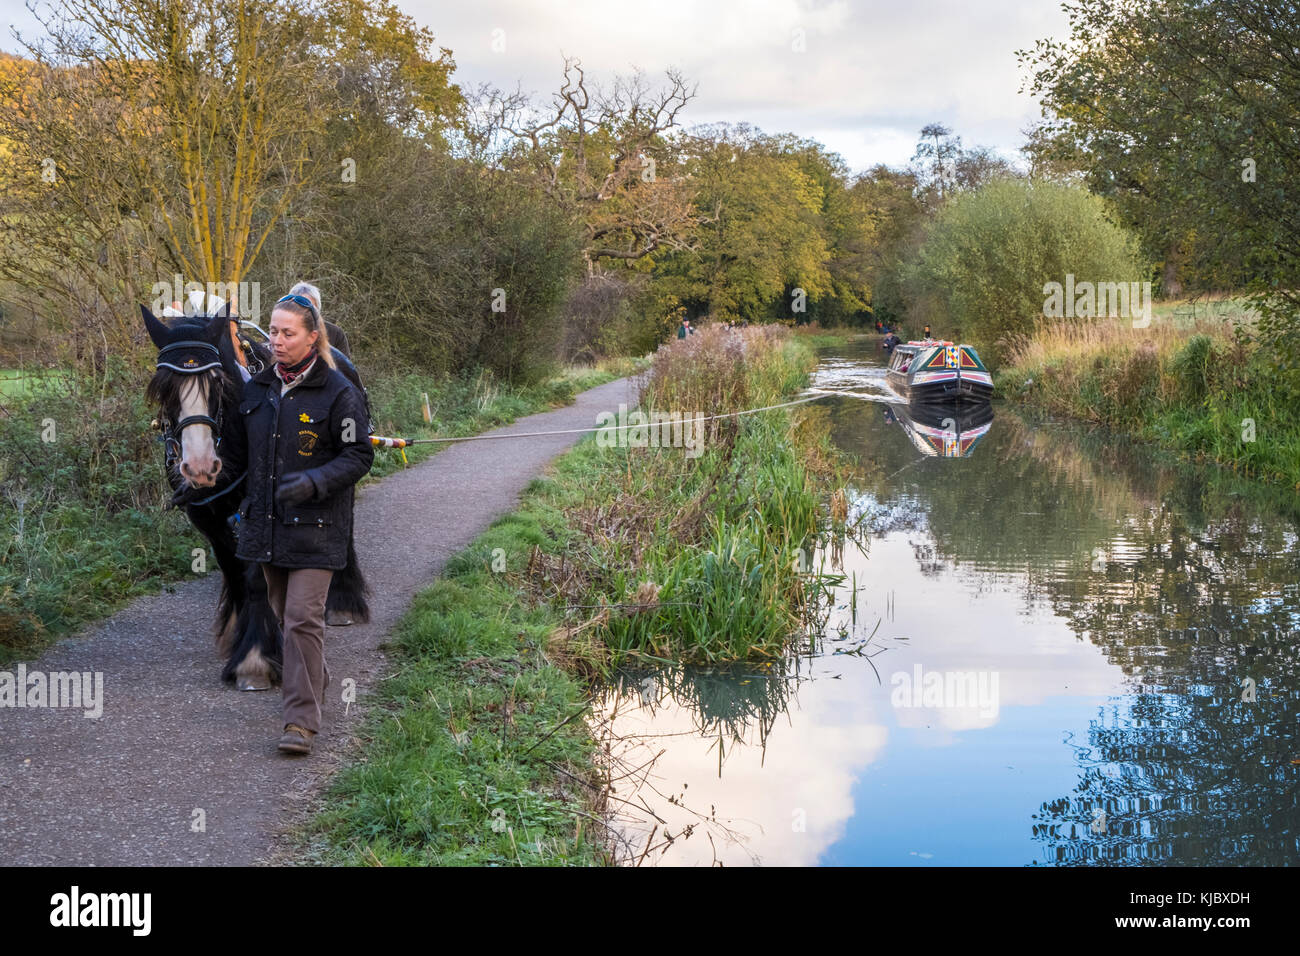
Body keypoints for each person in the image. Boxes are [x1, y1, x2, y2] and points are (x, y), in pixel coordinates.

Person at [220, 293, 374, 755]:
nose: (277, 341)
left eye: (288, 333)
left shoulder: (338, 392)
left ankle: (300, 723)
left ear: (312, 337)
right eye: (273, 331)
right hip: (266, 530)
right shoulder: (255, 391)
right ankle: (315, 680)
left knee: (303, 619)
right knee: (289, 618)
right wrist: (203, 475)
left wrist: (314, 480)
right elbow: (237, 459)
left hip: (319, 527)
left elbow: (359, 454)